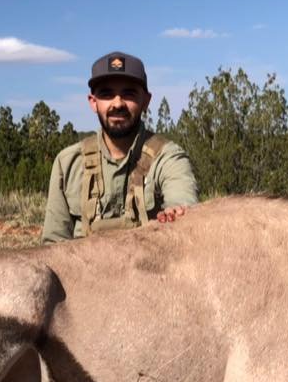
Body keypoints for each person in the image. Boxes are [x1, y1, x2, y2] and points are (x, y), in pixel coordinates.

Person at [42, 52, 199, 242]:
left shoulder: (168, 158)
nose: (117, 103)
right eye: (106, 94)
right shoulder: (68, 163)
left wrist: (177, 214)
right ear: (93, 102)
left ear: (146, 101)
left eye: (129, 93)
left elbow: (183, 206)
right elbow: (52, 245)